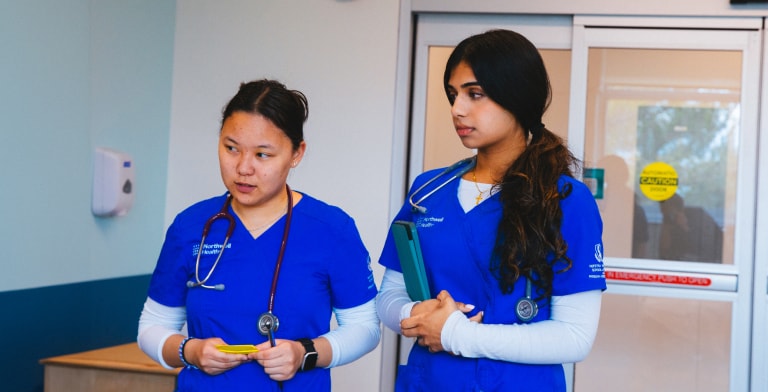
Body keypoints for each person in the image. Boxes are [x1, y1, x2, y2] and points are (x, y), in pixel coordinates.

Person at [376, 30, 606, 391]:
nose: (457, 109)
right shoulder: (428, 190)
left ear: (517, 96)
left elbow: (574, 336)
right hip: (431, 380)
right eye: (453, 95)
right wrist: (416, 315)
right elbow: (390, 294)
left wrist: (456, 334)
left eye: (475, 94)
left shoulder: (564, 200)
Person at [138, 79, 380, 391]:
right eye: (231, 148)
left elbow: (365, 328)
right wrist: (191, 352)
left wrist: (304, 353)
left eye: (263, 155)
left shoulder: (332, 230)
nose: (243, 168)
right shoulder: (190, 226)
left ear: (296, 154)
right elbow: (152, 327)